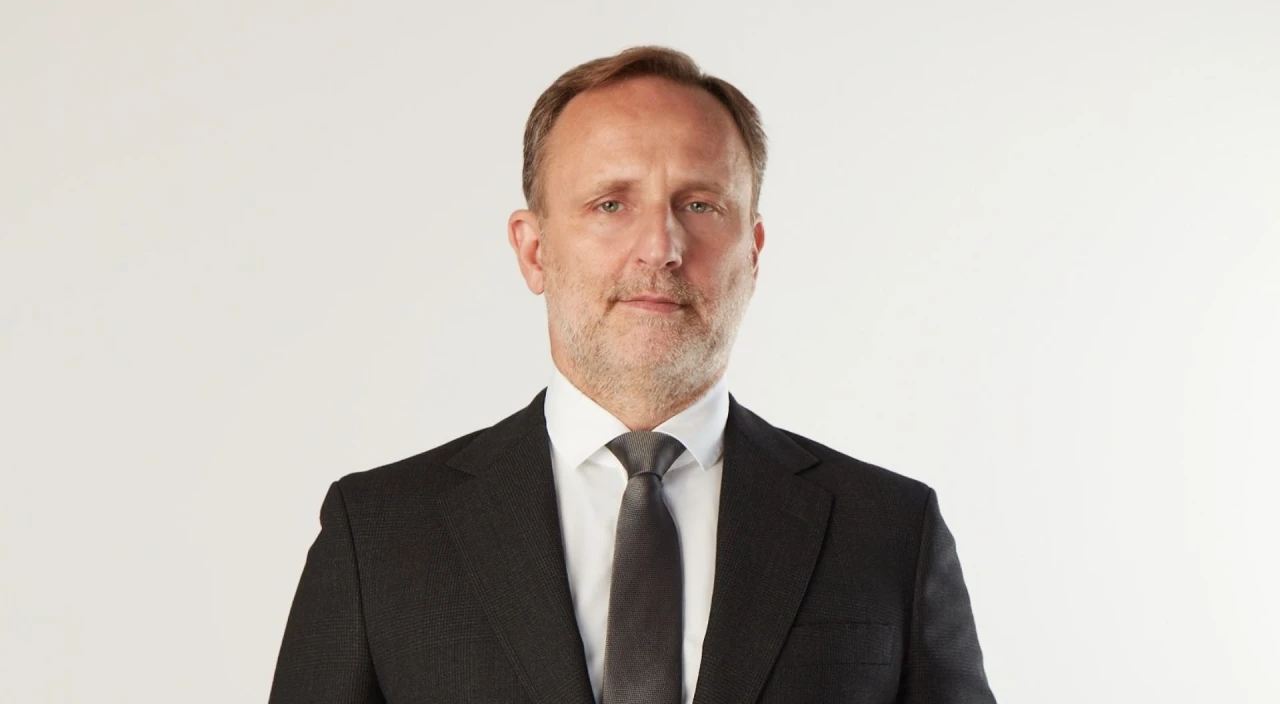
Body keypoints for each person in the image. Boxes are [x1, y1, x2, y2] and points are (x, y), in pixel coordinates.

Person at [268, 45, 997, 704]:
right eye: (611, 203)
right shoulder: (380, 536)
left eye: (700, 204)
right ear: (534, 250)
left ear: (753, 251)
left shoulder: (891, 532)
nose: (661, 246)